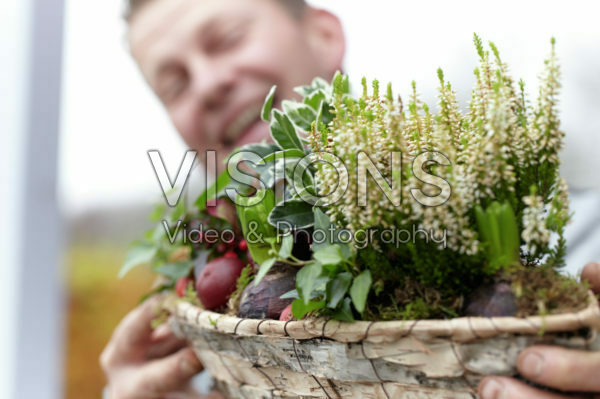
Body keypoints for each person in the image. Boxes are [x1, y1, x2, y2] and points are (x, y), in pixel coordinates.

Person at [100, 0, 600, 398]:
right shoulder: (209, 313)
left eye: (227, 38)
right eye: (174, 84)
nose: (208, 84)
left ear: (325, 35)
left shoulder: (552, 226)